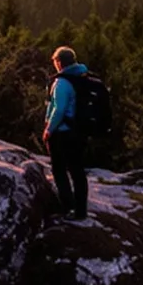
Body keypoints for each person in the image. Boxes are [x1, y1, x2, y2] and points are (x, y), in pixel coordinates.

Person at [46, 45, 91, 218]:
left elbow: (59, 109)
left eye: (55, 61)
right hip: (80, 131)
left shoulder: (63, 82)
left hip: (63, 132)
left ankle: (68, 206)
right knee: (78, 171)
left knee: (59, 169)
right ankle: (81, 210)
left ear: (59, 62)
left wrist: (49, 130)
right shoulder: (83, 76)